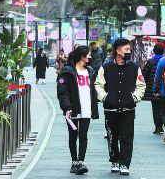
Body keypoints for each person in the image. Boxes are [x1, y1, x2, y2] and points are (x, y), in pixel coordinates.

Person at [95, 38, 145, 176]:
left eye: (129, 49)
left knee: (127, 137)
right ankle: (115, 161)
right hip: (110, 109)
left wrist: (134, 98)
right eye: (126, 49)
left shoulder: (135, 67)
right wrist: (105, 98)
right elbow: (98, 85)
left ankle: (124, 164)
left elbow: (141, 85)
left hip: (128, 109)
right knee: (112, 137)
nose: (129, 52)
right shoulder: (106, 67)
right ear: (118, 50)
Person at [57, 45, 99, 175]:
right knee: (73, 135)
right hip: (73, 109)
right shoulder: (67, 72)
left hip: (87, 108)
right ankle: (74, 162)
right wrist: (67, 107)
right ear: (82, 56)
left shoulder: (90, 71)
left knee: (83, 136)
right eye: (89, 54)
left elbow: (94, 89)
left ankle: (81, 162)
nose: (90, 56)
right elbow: (62, 92)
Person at [141, 44, 165, 134]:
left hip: (153, 89)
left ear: (154, 51)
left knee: (155, 109)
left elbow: (144, 74)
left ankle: (158, 127)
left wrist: (147, 84)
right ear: (163, 51)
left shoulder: (151, 62)